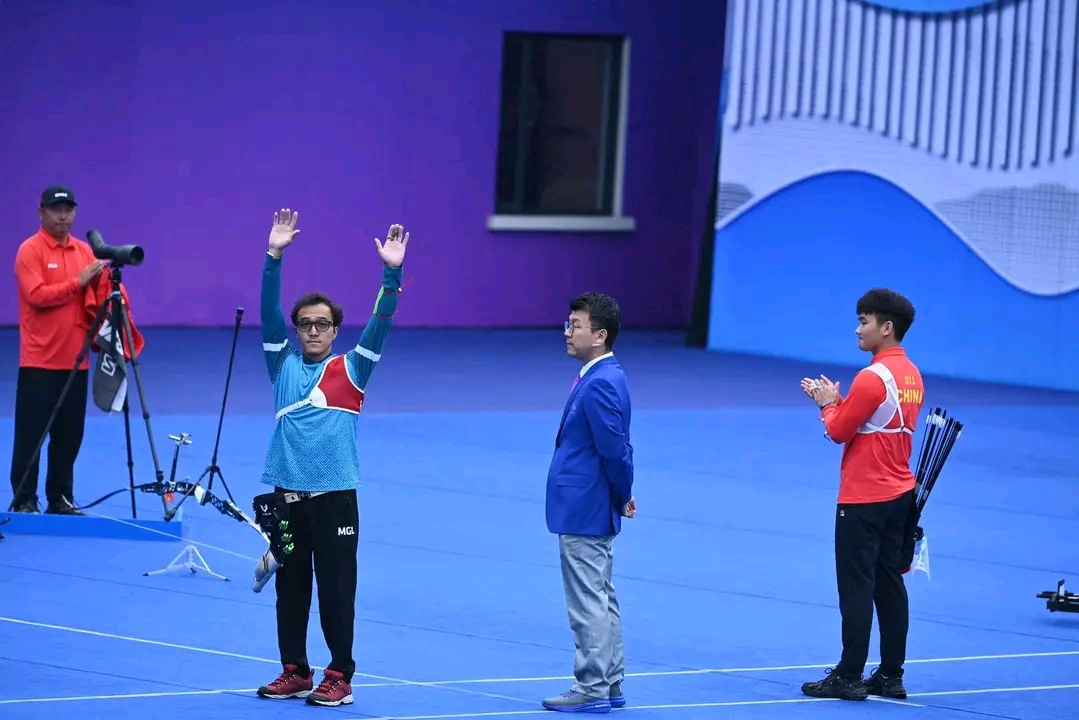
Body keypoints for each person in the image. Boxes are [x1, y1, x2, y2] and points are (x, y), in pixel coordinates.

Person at [253, 208, 408, 708]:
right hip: (287, 497)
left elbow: (381, 321)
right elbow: (267, 311)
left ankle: (339, 675)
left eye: (323, 324)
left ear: (336, 329)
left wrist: (392, 273)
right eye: (306, 324)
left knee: (337, 591)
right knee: (291, 588)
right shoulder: (281, 365)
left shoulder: (354, 368)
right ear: (296, 330)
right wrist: (273, 257)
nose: (314, 331)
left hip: (335, 497)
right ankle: (295, 670)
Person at [799, 288, 923, 702]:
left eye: (864, 321)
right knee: (889, 584)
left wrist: (826, 405)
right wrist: (839, 400)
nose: (857, 329)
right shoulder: (911, 375)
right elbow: (873, 421)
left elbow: (839, 431)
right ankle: (890, 675)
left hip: (864, 497)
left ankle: (849, 675)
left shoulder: (871, 377)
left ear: (886, 327)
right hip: (899, 493)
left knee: (856, 588)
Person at [542, 292, 636, 715]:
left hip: (585, 506)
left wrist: (622, 492)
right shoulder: (605, 375)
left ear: (599, 335)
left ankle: (592, 686)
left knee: (587, 600)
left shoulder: (600, 382)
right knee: (601, 594)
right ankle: (610, 682)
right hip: (593, 501)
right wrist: (622, 492)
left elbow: (615, 450)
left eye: (575, 325)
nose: (567, 331)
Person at [9, 186, 109, 515]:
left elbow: (98, 294)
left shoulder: (84, 251)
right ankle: (24, 499)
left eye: (68, 209)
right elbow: (37, 295)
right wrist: (78, 282)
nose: (63, 216)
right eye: (55, 210)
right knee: (31, 437)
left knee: (69, 437)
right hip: (39, 361)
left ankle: (61, 498)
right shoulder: (30, 250)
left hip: (76, 362)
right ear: (41, 213)